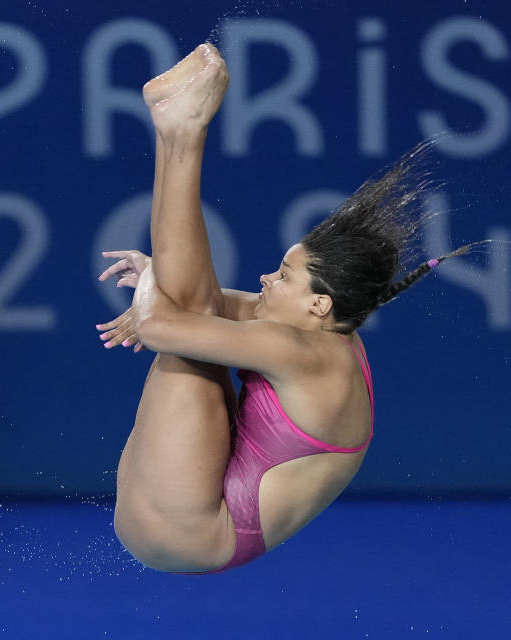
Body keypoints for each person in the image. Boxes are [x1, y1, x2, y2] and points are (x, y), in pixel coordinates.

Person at [95, 44, 478, 573]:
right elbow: (219, 304)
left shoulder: (299, 350)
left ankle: (182, 131)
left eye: (282, 276)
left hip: (192, 532)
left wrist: (154, 284)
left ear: (319, 303)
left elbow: (161, 325)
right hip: (185, 515)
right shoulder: (329, 335)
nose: (264, 280)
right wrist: (152, 275)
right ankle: (176, 127)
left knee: (188, 314)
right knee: (195, 303)